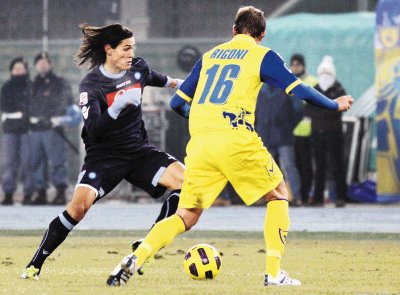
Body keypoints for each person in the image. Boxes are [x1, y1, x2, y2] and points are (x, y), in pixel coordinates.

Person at [107, 6, 353, 287]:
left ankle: (136, 257)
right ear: (261, 34)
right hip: (235, 137)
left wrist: (204, 118)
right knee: (278, 194)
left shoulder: (210, 56)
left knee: (186, 215)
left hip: (199, 143)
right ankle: (273, 273)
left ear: (233, 30)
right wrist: (334, 104)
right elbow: (298, 89)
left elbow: (177, 102)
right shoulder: (263, 55)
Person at [21, 23, 185, 280]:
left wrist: (181, 84)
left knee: (187, 184)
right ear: (109, 49)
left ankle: (145, 248)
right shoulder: (91, 85)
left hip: (139, 151)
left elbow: (158, 78)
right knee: (77, 210)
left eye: (134, 48)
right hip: (104, 158)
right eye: (126, 48)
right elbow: (94, 129)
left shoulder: (137, 68)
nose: (132, 54)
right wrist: (116, 106)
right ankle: (33, 266)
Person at [29, 52, 80, 205]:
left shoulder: (59, 82)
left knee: (57, 160)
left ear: (50, 64)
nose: (42, 65)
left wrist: (57, 116)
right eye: (39, 63)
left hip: (53, 128)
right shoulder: (33, 83)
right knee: (38, 161)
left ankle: (60, 191)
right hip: (36, 129)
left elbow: (65, 101)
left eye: (45, 62)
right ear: (36, 66)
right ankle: (41, 192)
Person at [304, 56, 348, 208]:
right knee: (320, 166)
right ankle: (318, 198)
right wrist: (326, 110)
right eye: (323, 73)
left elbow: (340, 108)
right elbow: (308, 110)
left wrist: (323, 111)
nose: (325, 76)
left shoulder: (339, 89)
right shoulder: (315, 89)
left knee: (337, 165)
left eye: (328, 73)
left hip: (334, 133)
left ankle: (341, 197)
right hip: (318, 133)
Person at [255, 83, 303, 206]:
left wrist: (288, 126)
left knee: (288, 167)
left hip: (281, 135)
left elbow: (299, 110)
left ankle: (295, 196)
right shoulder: (260, 90)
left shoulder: (285, 88)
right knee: (266, 168)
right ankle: (268, 196)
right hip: (266, 134)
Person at [0, 57, 33, 205]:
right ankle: (8, 192)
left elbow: (32, 107)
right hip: (10, 131)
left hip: (27, 130)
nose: (18, 71)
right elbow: (5, 106)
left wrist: (20, 114)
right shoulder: (6, 87)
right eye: (16, 68)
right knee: (9, 162)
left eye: (21, 68)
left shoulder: (31, 87)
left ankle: (28, 193)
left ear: (26, 70)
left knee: (27, 161)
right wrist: (20, 113)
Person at [291, 54, 318, 205]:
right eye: (293, 64)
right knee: (295, 166)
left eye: (298, 64)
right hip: (293, 131)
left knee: (307, 165)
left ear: (303, 65)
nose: (295, 67)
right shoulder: (288, 82)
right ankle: (298, 195)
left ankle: (306, 194)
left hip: (308, 130)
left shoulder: (312, 82)